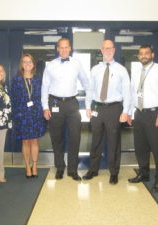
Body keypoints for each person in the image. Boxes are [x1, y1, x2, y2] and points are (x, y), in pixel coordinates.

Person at [83, 40, 132, 185]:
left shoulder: (121, 70)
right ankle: (93, 169)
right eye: (105, 48)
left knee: (113, 142)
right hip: (97, 108)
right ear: (101, 50)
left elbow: (127, 92)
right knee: (95, 141)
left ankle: (114, 172)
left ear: (114, 50)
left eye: (110, 48)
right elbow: (90, 90)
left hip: (114, 108)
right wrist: (87, 106)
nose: (108, 50)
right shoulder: (95, 69)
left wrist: (126, 111)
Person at [41, 38, 89, 181]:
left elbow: (86, 83)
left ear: (70, 49)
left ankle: (73, 170)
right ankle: (60, 168)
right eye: (61, 47)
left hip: (72, 104)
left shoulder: (77, 64)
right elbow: (45, 87)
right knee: (57, 138)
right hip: (54, 103)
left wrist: (89, 103)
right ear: (57, 49)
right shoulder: (50, 65)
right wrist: (45, 107)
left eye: (66, 47)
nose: (63, 50)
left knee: (75, 138)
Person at [127, 45, 158, 192]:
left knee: (157, 148)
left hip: (154, 114)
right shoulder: (136, 71)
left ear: (152, 54)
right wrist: (130, 112)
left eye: (146, 53)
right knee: (140, 147)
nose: (143, 56)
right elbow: (133, 94)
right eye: (141, 54)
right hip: (139, 113)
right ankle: (144, 174)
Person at [11, 54, 46, 178]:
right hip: (22, 115)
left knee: (35, 140)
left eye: (29, 61)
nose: (27, 64)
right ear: (21, 64)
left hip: (36, 113)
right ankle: (27, 166)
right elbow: (13, 99)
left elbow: (43, 96)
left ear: (33, 64)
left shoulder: (39, 80)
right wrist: (16, 115)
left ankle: (35, 165)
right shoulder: (16, 80)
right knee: (25, 141)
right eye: (24, 61)